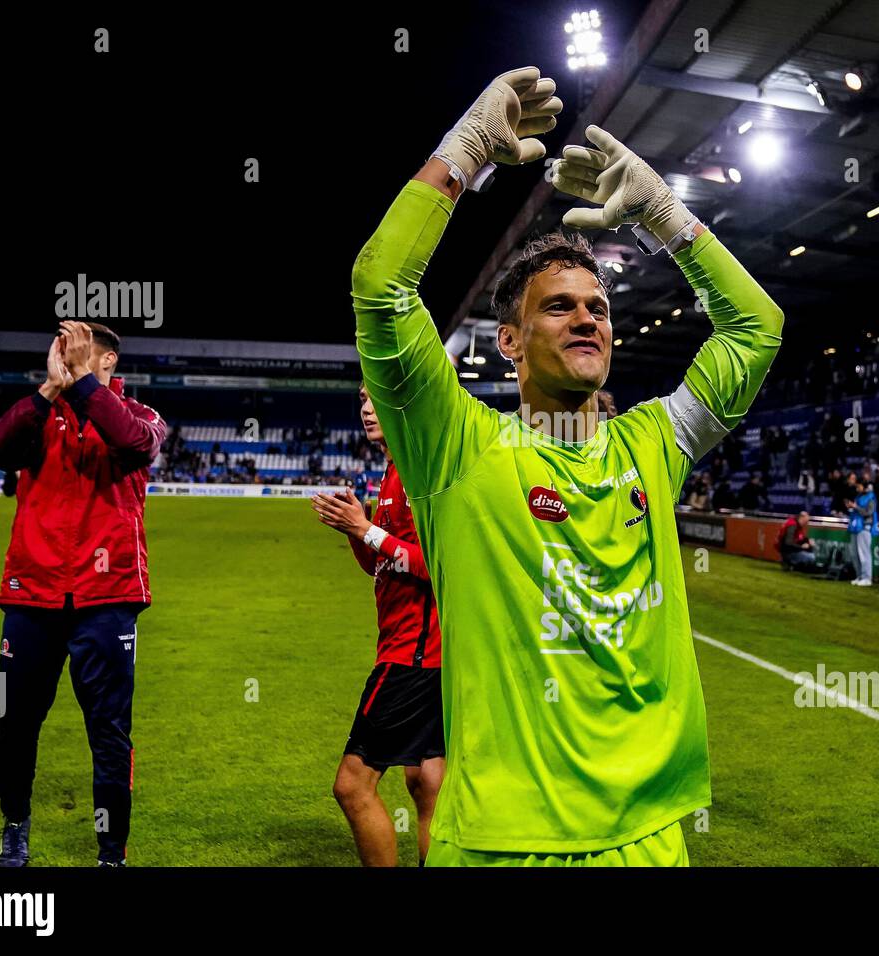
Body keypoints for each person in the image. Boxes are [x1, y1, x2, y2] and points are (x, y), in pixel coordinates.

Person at [353, 68, 784, 867]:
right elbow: (381, 289)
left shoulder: (652, 442)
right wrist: (465, 151)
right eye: (559, 305)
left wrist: (663, 213)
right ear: (509, 343)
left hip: (649, 842)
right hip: (498, 844)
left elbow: (756, 329)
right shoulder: (457, 447)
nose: (588, 315)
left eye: (599, 306)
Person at [0, 321, 165, 866]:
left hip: (107, 599)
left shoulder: (140, 417)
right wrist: (47, 391)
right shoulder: (39, 417)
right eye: (60, 352)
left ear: (107, 361)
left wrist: (83, 384)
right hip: (31, 596)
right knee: (16, 726)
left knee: (108, 734)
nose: (61, 359)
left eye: (76, 352)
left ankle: (111, 852)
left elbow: (133, 443)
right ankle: (15, 825)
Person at [311, 385, 444, 867]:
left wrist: (367, 529)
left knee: (351, 786)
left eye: (377, 399)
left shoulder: (422, 470)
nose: (367, 409)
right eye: (362, 399)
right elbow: (381, 566)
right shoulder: (392, 471)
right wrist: (357, 529)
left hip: (414, 657)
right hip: (419, 652)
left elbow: (436, 565)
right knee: (427, 782)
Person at [846, 476, 878, 586]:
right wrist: (851, 507)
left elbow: (868, 512)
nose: (857, 488)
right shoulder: (858, 496)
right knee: (855, 554)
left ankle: (867, 578)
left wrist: (856, 507)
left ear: (863, 486)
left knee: (864, 554)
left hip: (865, 527)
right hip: (855, 527)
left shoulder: (871, 497)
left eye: (858, 486)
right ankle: (859, 576)